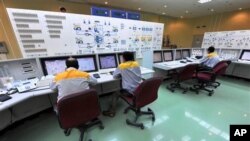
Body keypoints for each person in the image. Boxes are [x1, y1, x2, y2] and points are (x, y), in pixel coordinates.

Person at [103, 51, 142, 117]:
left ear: (124, 58)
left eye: (122, 57)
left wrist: (121, 74)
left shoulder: (122, 66)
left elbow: (115, 76)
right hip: (139, 88)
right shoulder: (136, 64)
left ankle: (112, 112)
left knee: (115, 93)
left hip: (130, 91)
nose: (122, 59)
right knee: (121, 87)